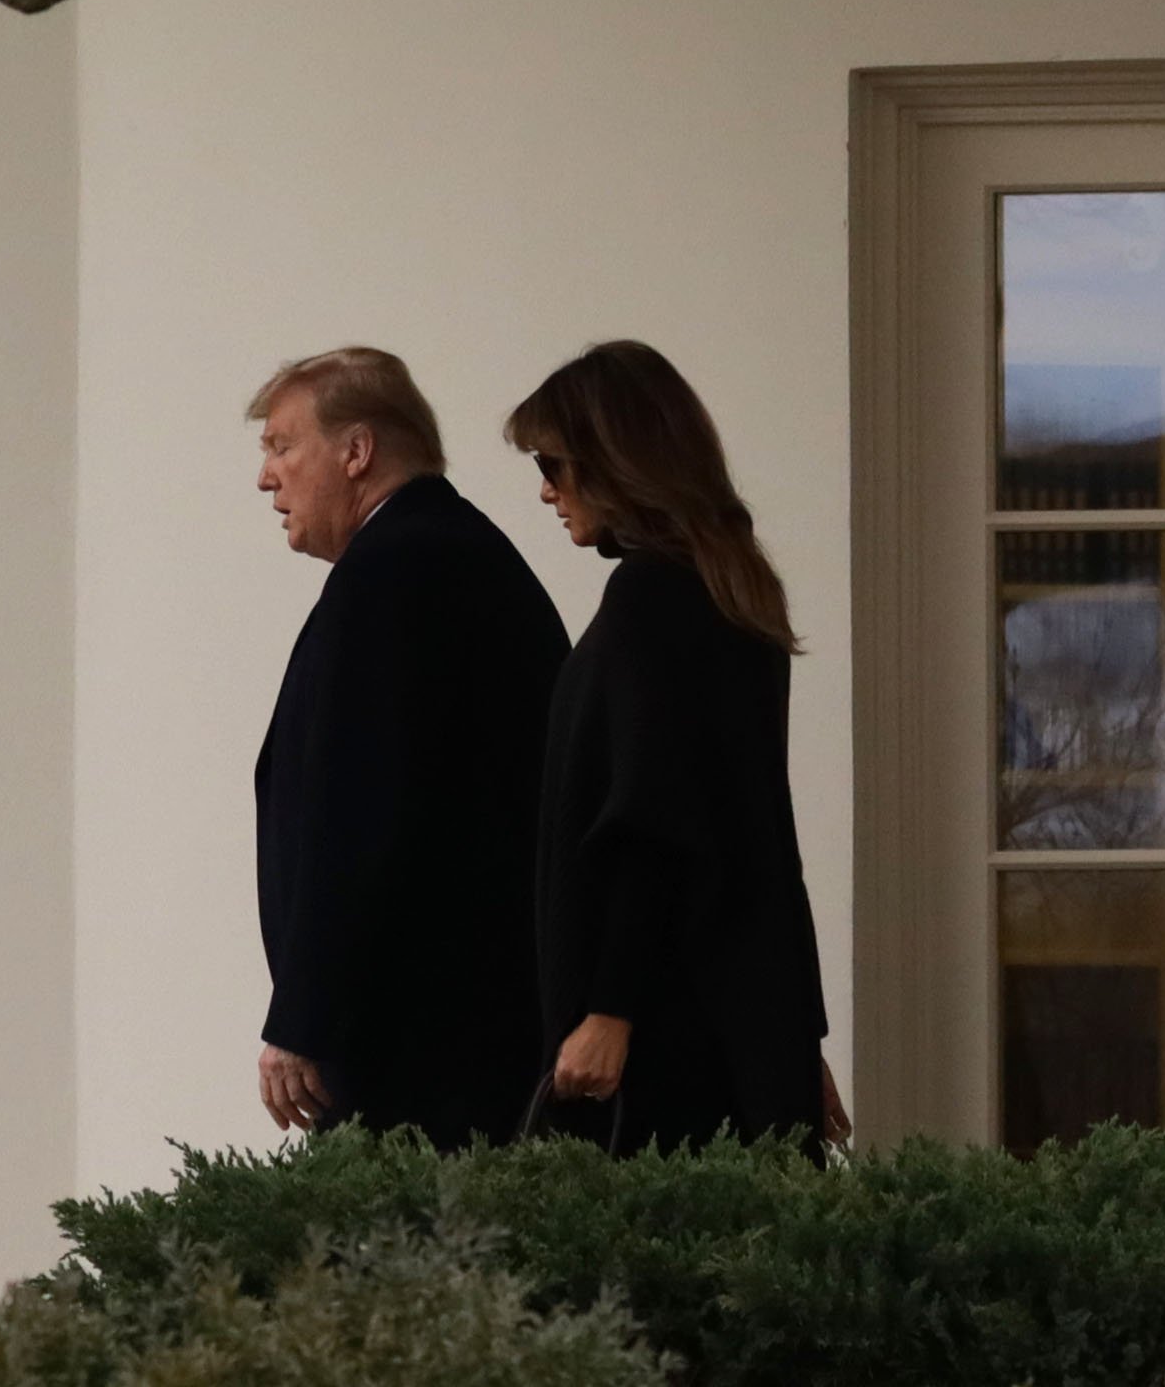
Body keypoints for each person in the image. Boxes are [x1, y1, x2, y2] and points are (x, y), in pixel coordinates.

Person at [509, 339, 842, 1155]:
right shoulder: (725, 592)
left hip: (663, 1037)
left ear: (613, 460)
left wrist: (609, 1011)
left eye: (554, 463)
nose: (547, 490)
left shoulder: (654, 602)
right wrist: (798, 1043)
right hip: (732, 1017)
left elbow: (656, 828)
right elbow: (759, 843)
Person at [248, 345, 570, 1148]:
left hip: (422, 1060)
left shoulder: (400, 572)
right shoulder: (444, 552)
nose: (266, 478)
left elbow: (361, 812)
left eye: (282, 446)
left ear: (356, 452)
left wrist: (303, 1017)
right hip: (460, 1041)